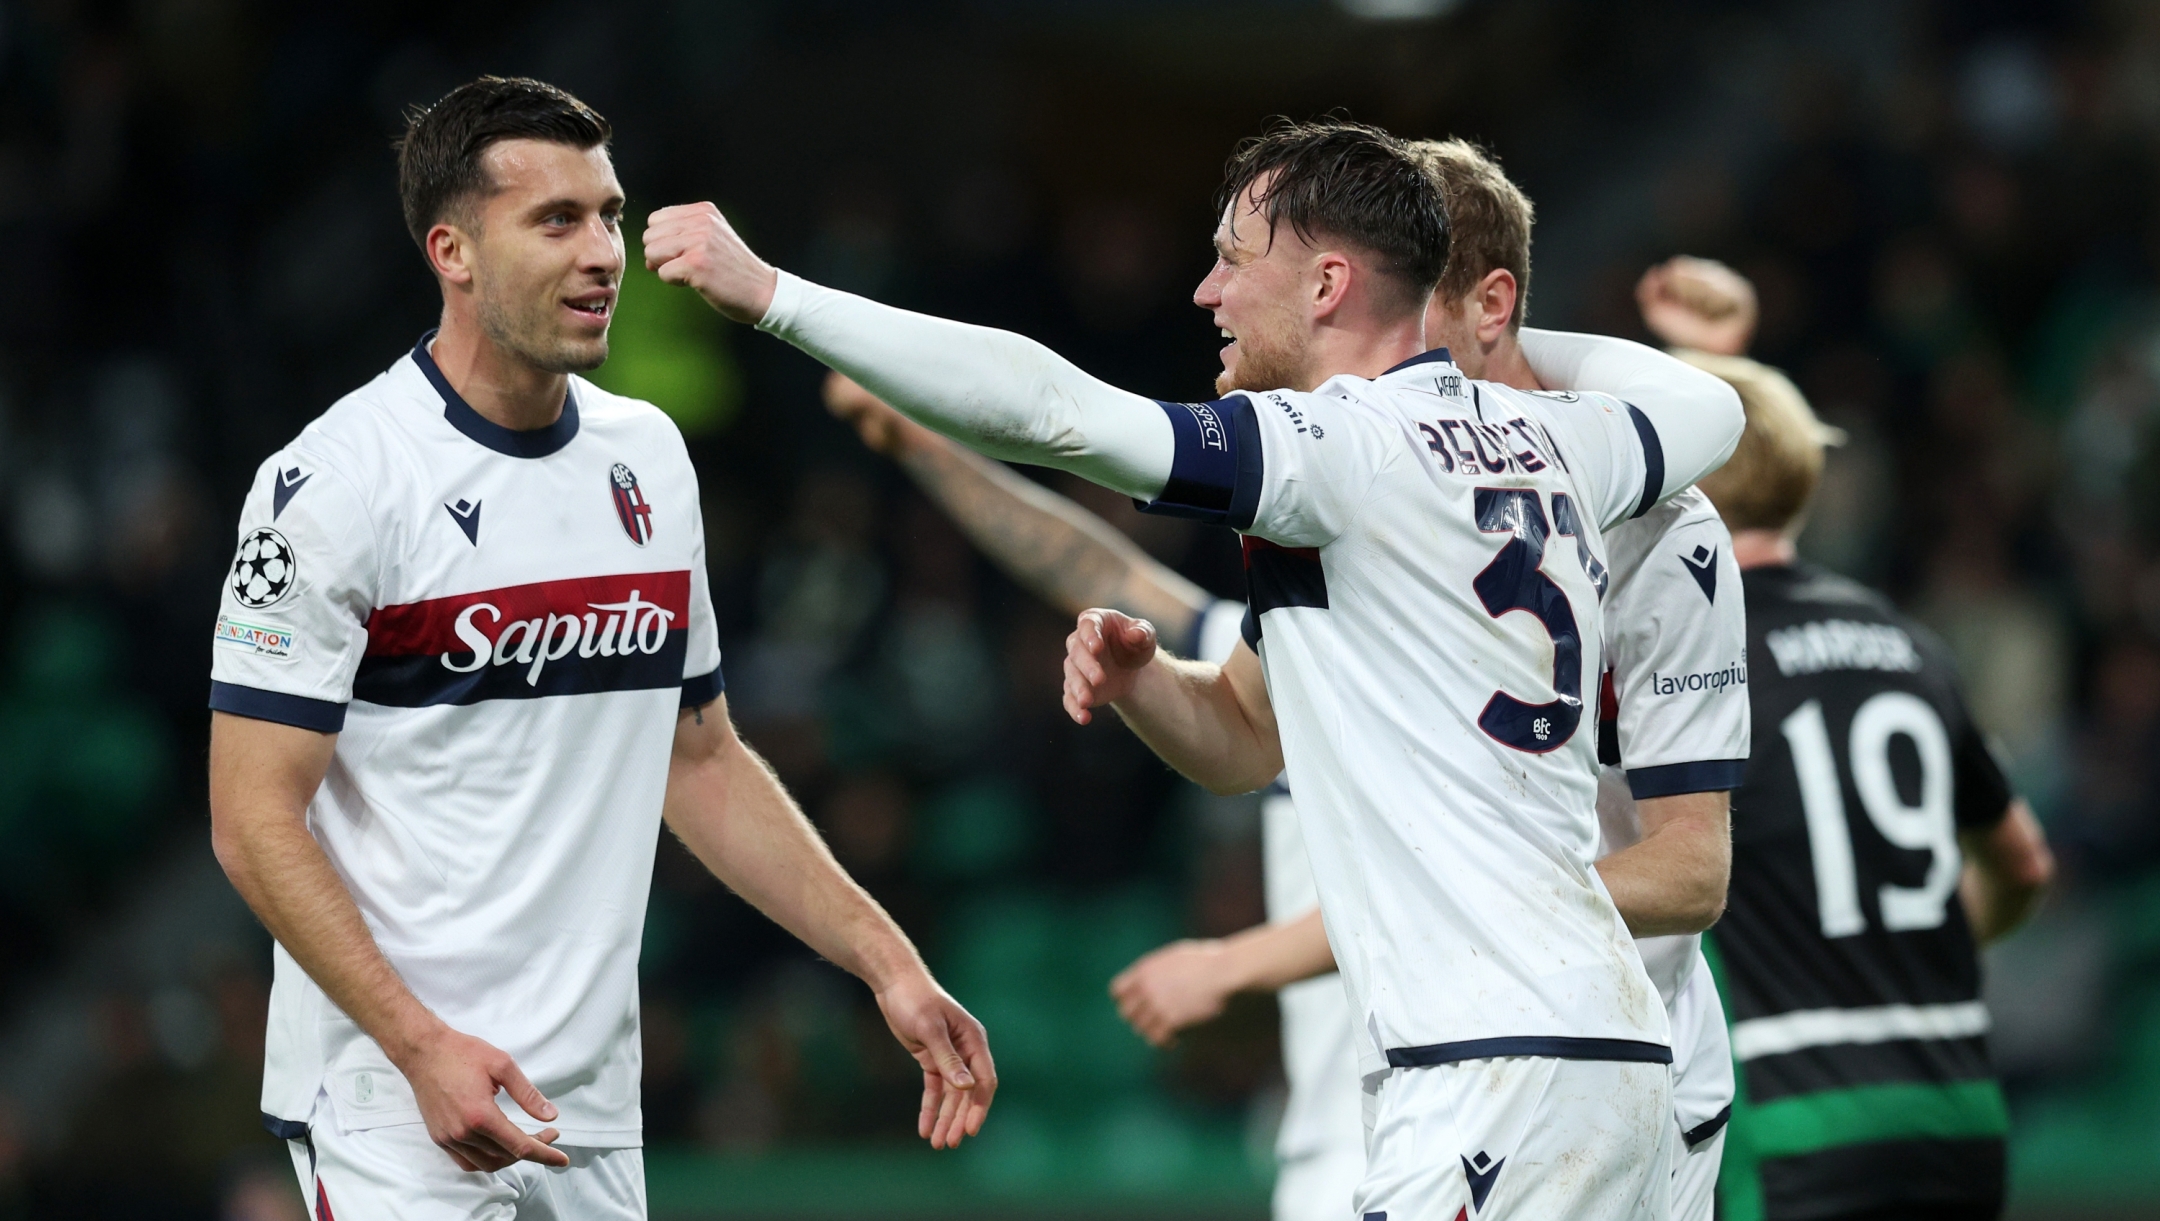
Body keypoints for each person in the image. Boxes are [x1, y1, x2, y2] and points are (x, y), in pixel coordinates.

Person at [646, 118, 1744, 1218]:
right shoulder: (1563, 445)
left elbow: (1059, 414)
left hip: (1494, 1062)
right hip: (1598, 1044)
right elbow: (1244, 742)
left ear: (1326, 284)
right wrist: (1147, 686)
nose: (1207, 292)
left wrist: (777, 296)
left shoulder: (1334, 450)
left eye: (1234, 256)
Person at [206, 77, 994, 1221]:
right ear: (453, 252)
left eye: (610, 215)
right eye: (556, 220)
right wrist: (420, 1046)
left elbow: (703, 760)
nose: (603, 253)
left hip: (591, 1107)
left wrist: (890, 966)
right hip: (397, 1098)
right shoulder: (334, 482)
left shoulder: (651, 460)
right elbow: (252, 818)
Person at [1108, 139, 1748, 1221]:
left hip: (1615, 1062)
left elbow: (1692, 870)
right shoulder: (1361, 491)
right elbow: (1242, 732)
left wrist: (1262, 955)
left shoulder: (1657, 525)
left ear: (1488, 305)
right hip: (1456, 1052)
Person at [820, 370, 1349, 1220]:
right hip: (1332, 1140)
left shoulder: (1437, 695)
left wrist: (1235, 962)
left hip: (1440, 1120)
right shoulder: (1290, 642)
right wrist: (922, 445)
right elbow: (1093, 568)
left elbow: (1460, 891)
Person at [1634, 257, 2055, 1221]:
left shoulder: (1697, 651)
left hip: (1794, 1117)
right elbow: (2024, 861)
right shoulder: (1907, 641)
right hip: (1957, 1108)